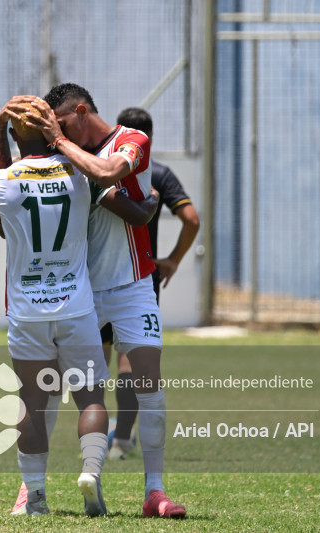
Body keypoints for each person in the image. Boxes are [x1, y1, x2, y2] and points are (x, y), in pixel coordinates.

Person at [0, 103, 159, 517]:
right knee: (91, 398)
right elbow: (127, 206)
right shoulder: (79, 173)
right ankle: (90, 471)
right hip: (76, 307)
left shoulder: (0, 182)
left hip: (28, 311)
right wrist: (150, 206)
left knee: (33, 398)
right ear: (50, 133)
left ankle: (35, 495)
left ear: (13, 139)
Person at [24, 83, 187, 518]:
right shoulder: (60, 157)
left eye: (56, 123)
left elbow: (110, 172)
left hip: (134, 285)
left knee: (147, 381)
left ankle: (155, 491)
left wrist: (60, 143)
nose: (51, 134)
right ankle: (32, 490)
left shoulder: (132, 140)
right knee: (54, 387)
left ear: (80, 112)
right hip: (79, 289)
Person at [104, 107, 201, 461]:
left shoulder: (102, 171)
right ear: (149, 137)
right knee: (132, 365)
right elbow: (191, 219)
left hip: (99, 278)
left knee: (96, 368)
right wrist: (172, 260)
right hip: (141, 278)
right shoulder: (159, 174)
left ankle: (97, 445)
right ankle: (123, 440)